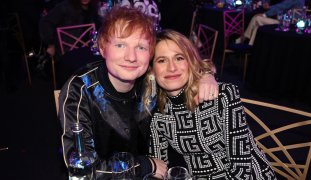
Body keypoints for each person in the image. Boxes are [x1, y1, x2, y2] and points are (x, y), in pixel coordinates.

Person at [58, 6, 218, 179]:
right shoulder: (80, 89)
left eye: (141, 47)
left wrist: (204, 75)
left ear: (150, 53)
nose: (131, 57)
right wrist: (143, 165)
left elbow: (184, 67)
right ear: (103, 47)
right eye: (120, 45)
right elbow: (83, 170)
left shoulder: (150, 78)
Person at [143, 29, 277, 179]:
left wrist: (207, 74)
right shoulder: (157, 113)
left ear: (190, 61)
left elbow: (242, 168)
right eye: (161, 60)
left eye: (179, 58)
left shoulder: (222, 96)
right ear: (152, 70)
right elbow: (158, 165)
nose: (172, 67)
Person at [236, 0, 305, 45]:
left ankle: (244, 39)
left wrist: (265, 14)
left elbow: (281, 7)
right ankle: (250, 44)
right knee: (257, 24)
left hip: (287, 26)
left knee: (257, 18)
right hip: (284, 22)